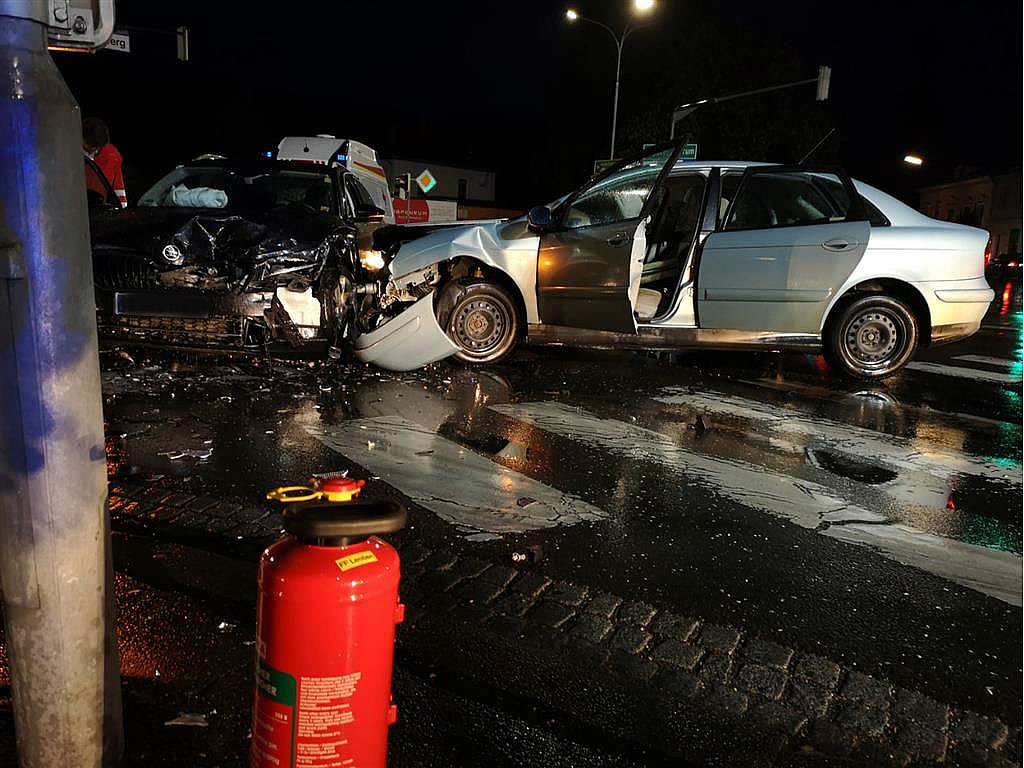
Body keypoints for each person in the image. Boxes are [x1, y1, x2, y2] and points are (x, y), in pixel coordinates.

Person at [82, 117, 126, 207]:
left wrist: (122, 212)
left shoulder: (111, 156)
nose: (96, 151)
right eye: (91, 147)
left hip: (97, 210)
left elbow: (119, 191)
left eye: (98, 148)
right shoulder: (67, 152)